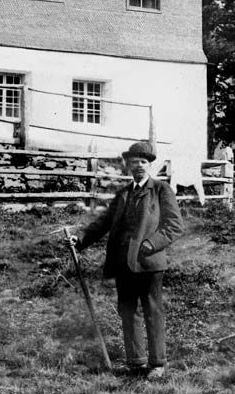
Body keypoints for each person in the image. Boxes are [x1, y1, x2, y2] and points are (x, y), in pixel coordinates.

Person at [74, 140, 183, 379]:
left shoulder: (161, 190)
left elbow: (174, 226)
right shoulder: (123, 194)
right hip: (123, 263)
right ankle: (136, 362)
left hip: (150, 263)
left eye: (143, 162)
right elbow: (104, 223)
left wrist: (151, 243)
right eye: (134, 162)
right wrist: (80, 239)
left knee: (152, 311)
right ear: (128, 166)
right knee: (128, 311)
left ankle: (157, 363)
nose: (139, 166)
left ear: (150, 165)